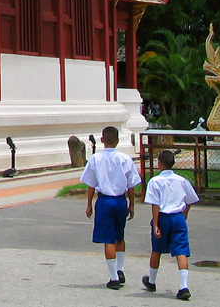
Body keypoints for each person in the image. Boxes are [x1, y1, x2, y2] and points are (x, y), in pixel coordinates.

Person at [80, 125, 141, 290]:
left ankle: (114, 277)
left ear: (101, 140)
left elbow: (91, 184)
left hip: (105, 201)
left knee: (108, 238)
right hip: (120, 200)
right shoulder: (125, 159)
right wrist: (132, 205)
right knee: (119, 236)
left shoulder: (95, 159)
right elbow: (131, 185)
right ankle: (120, 268)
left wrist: (89, 204)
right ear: (118, 140)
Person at [142, 149, 199, 301]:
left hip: (162, 217)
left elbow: (155, 204)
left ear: (159, 163)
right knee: (181, 250)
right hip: (178, 217)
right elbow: (191, 199)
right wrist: (185, 213)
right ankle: (183, 285)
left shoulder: (155, 181)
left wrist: (155, 224)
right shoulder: (181, 180)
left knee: (157, 250)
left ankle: (152, 281)